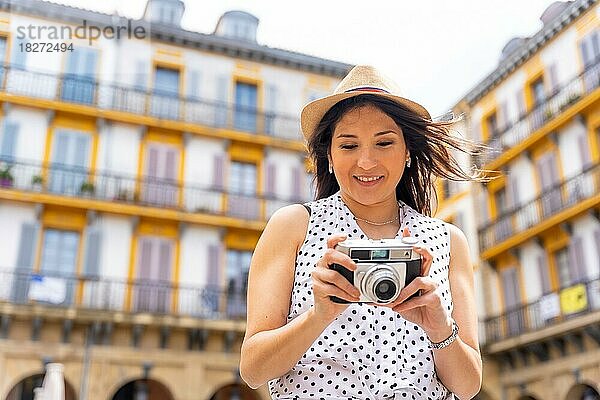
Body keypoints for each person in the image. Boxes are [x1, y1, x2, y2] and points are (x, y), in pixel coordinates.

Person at [240, 65, 485, 400]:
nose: (367, 162)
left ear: (408, 151)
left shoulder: (449, 240)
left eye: (384, 143)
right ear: (328, 155)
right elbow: (253, 369)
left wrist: (440, 329)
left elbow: (469, 386)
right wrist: (319, 315)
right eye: (349, 145)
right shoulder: (293, 226)